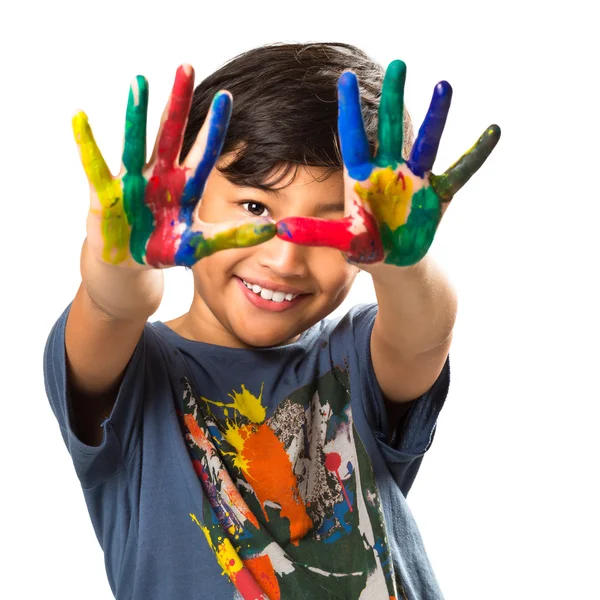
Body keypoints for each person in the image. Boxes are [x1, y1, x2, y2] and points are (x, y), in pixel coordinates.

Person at [43, 42, 500, 599]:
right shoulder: (133, 374)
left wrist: (404, 265)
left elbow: (424, 331)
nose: (284, 259)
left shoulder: (351, 359)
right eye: (256, 208)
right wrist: (120, 260)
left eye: (331, 227)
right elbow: (115, 303)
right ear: (188, 195)